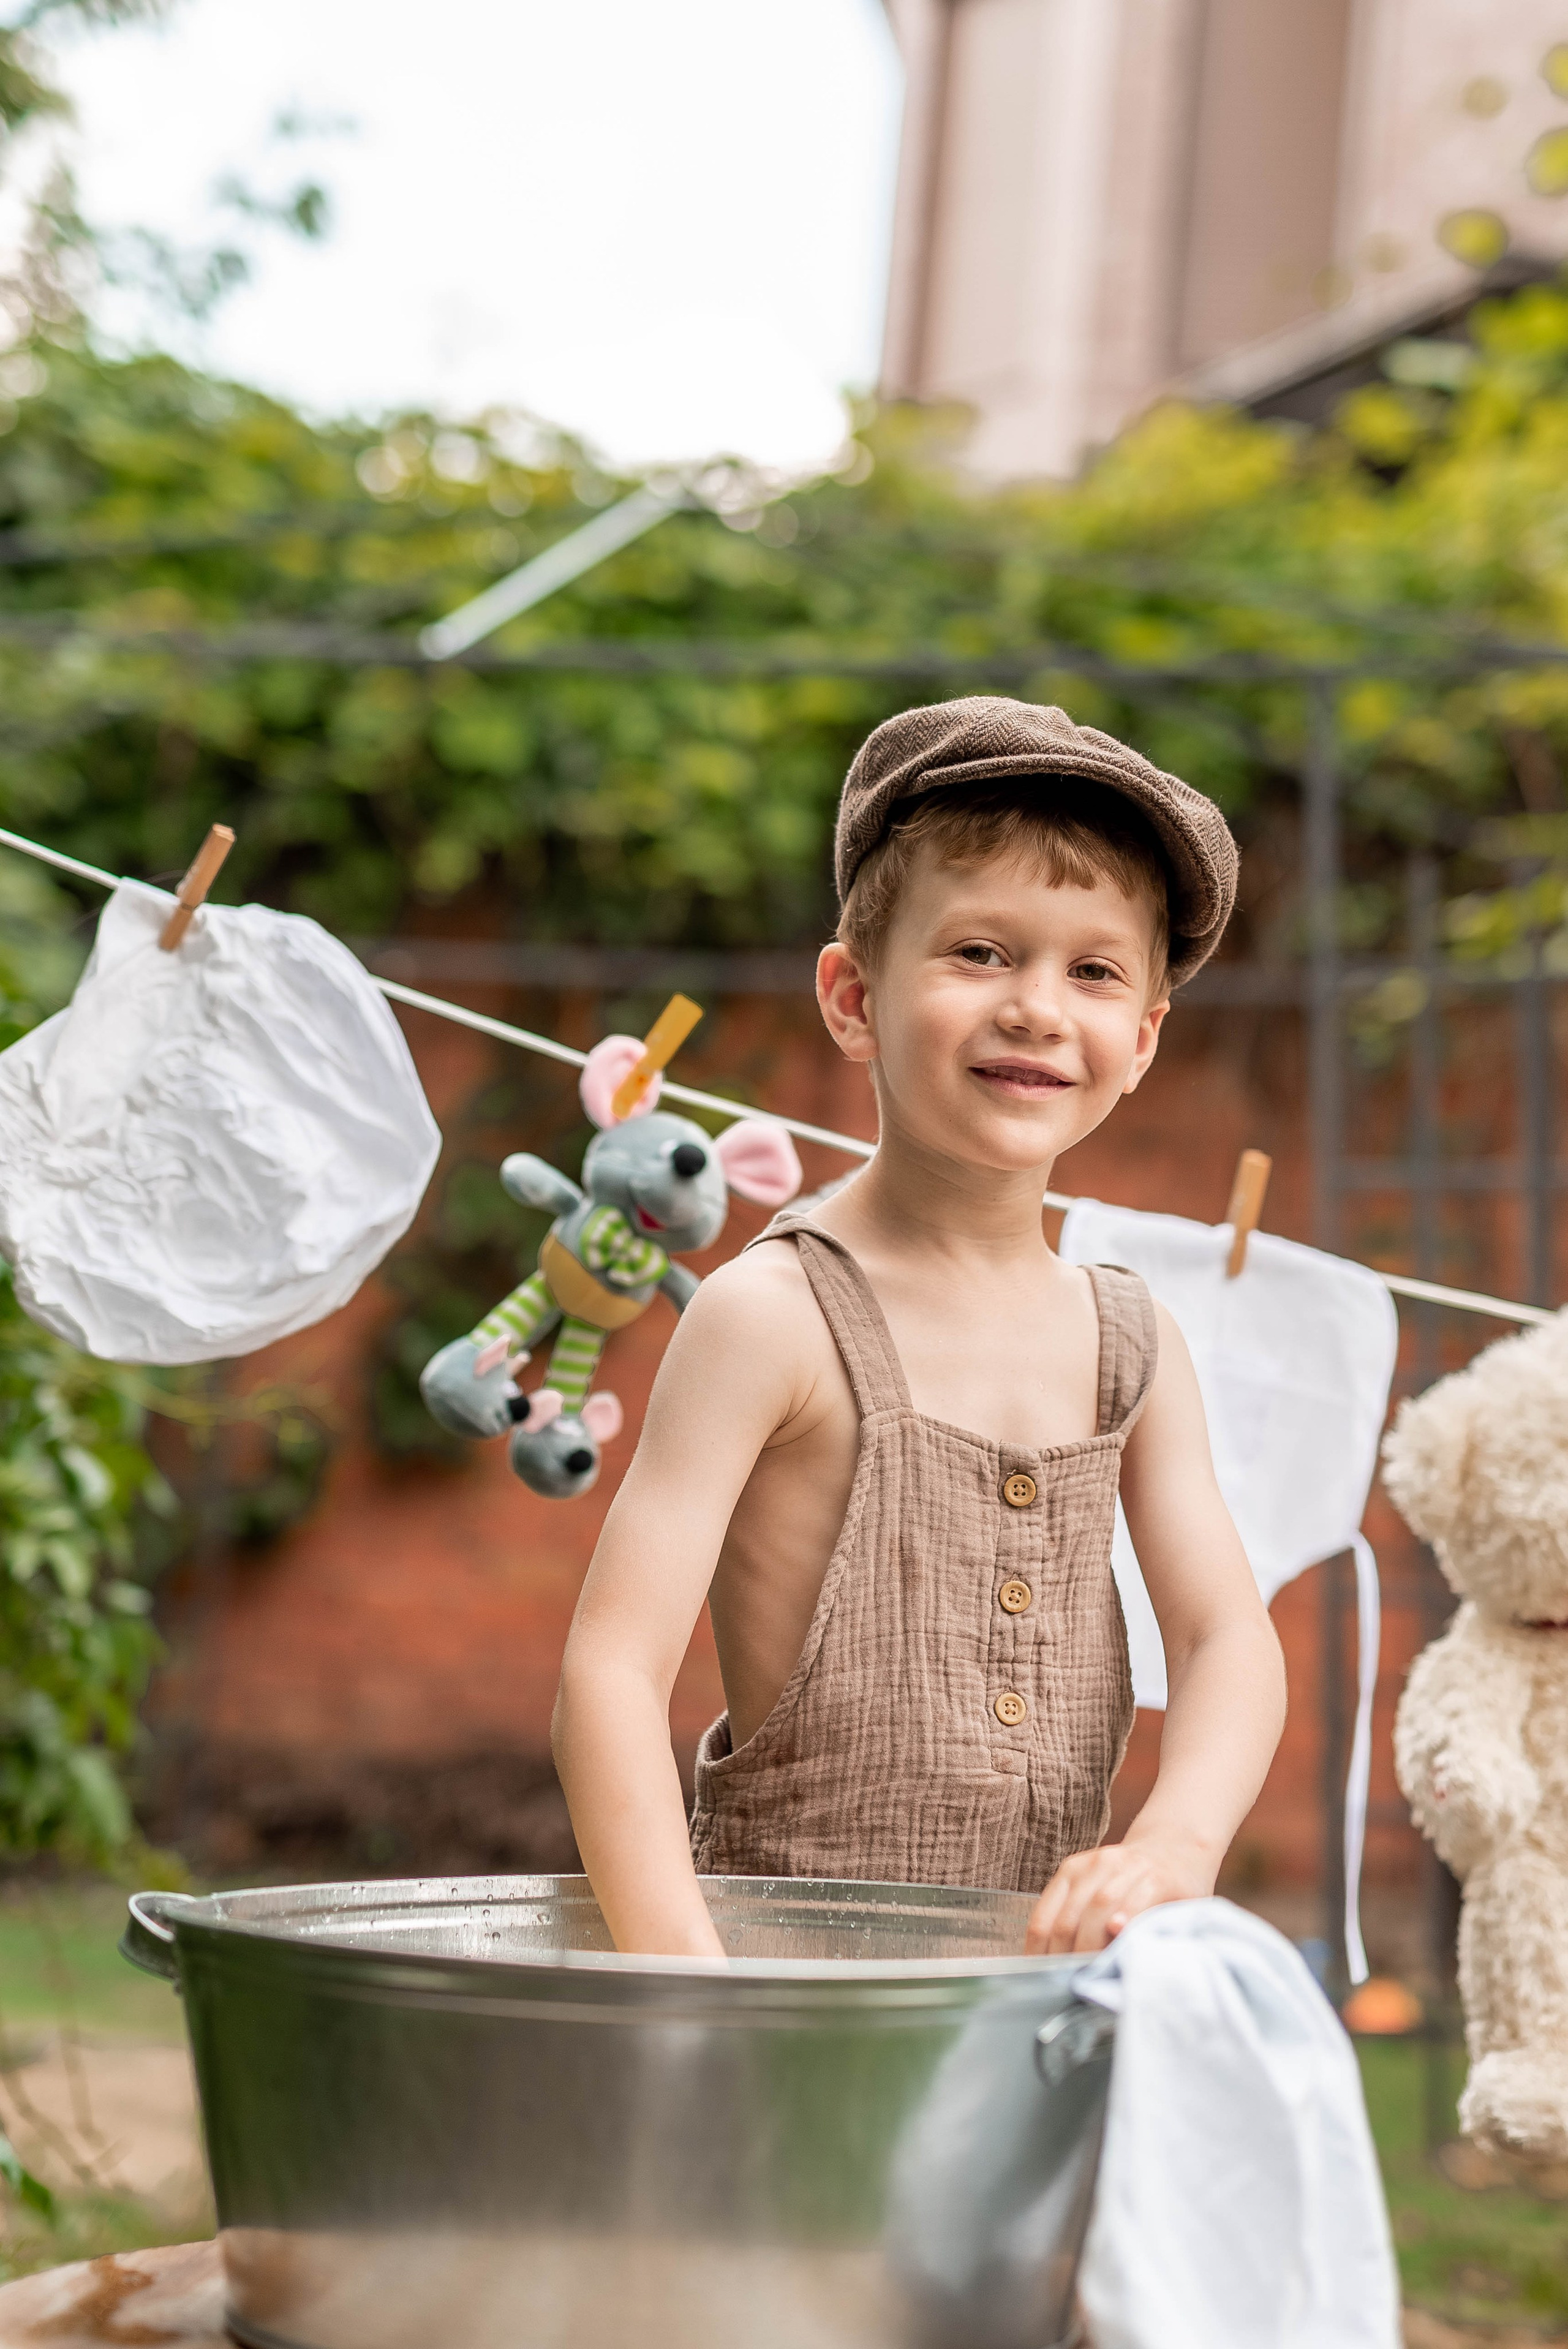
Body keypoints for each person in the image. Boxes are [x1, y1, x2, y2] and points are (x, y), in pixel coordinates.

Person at [553, 696, 1286, 1959]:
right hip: (786, 1982)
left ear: (1142, 1040)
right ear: (851, 996)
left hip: (1038, 2005)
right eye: (979, 953)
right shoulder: (770, 1316)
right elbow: (608, 1680)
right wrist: (689, 1977)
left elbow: (1228, 1638)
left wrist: (1170, 1848)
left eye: (1093, 970)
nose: (1036, 1008)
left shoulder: (1130, 1342)